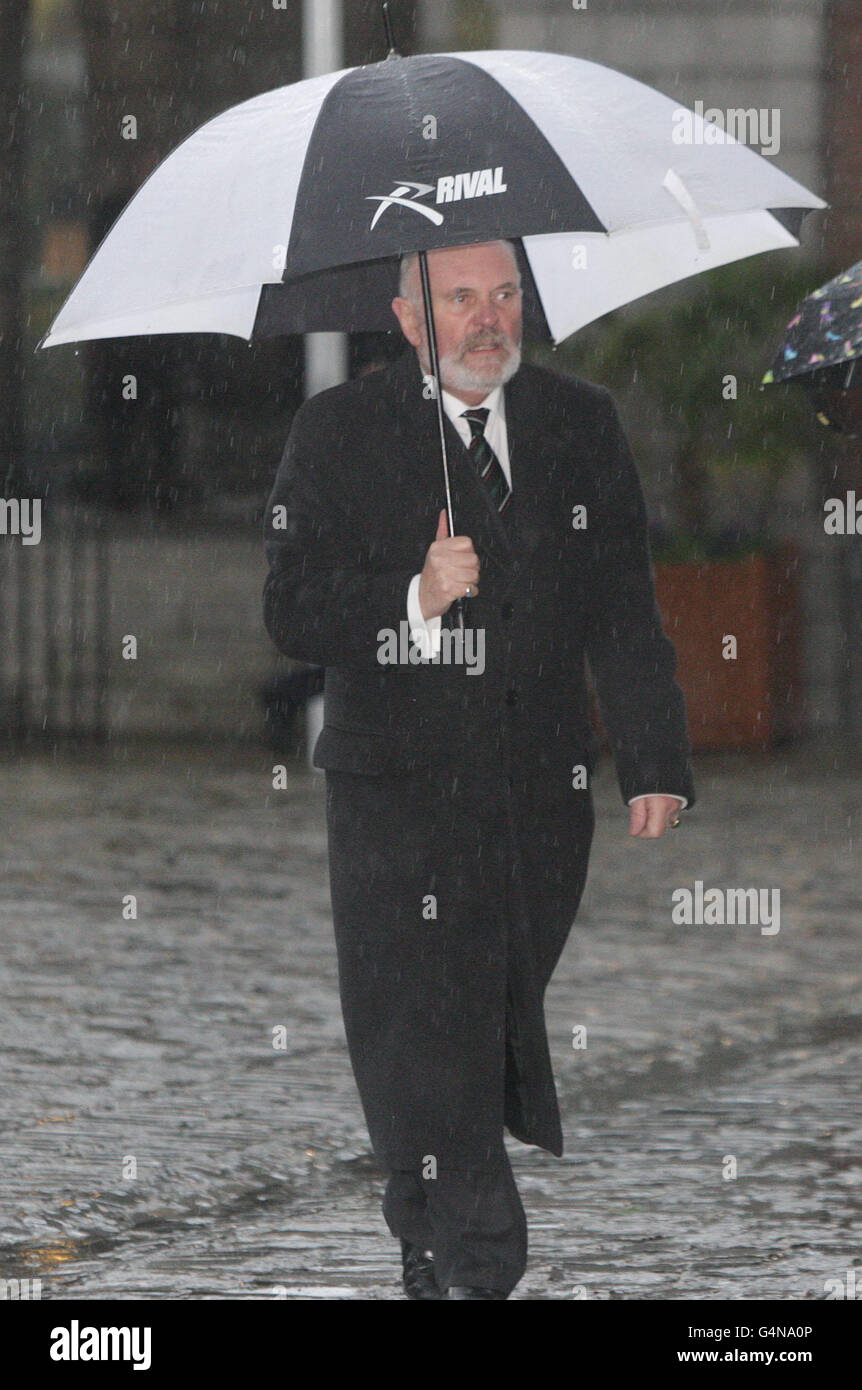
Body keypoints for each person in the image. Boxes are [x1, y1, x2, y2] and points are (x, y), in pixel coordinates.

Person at [262, 239, 695, 1300]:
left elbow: (623, 609)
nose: (488, 317)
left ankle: (421, 1212)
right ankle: (478, 1257)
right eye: (460, 298)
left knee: (483, 1010)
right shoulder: (337, 431)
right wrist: (409, 597)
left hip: (543, 793)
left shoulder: (579, 424)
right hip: (391, 788)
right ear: (410, 316)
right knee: (425, 1008)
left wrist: (654, 759)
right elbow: (290, 609)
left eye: (503, 293)